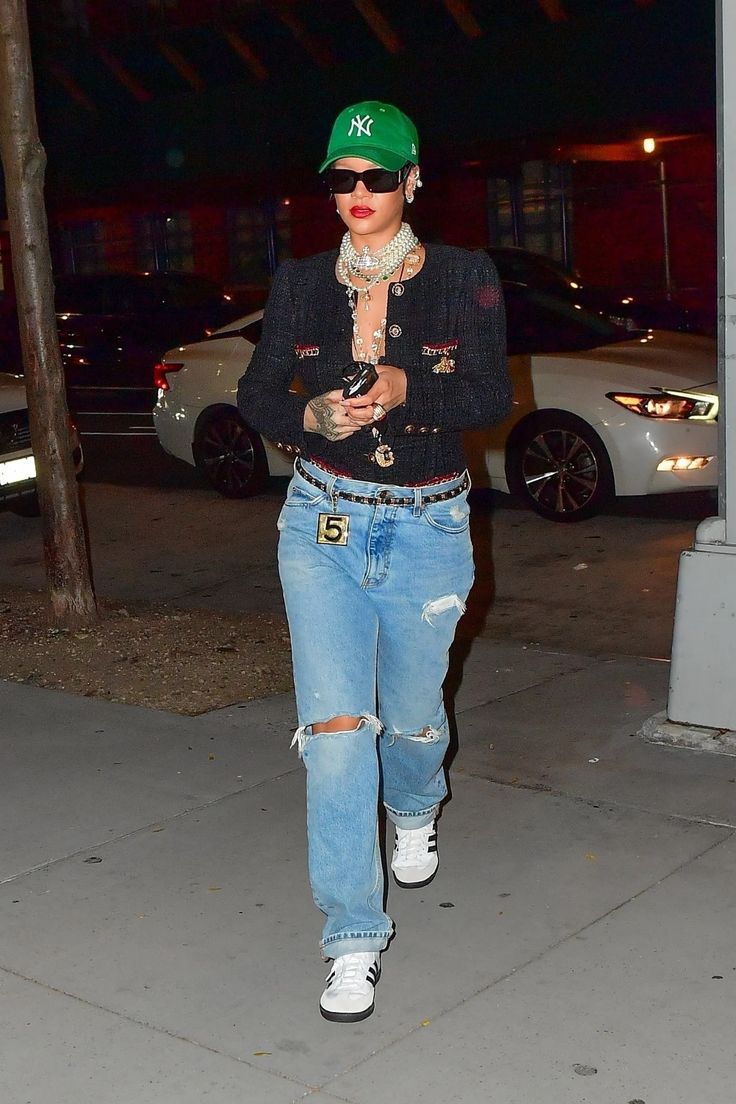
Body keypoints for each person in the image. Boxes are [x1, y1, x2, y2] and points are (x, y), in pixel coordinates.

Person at [238, 100, 511, 1023]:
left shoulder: (466, 276)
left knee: (412, 717)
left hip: (428, 527)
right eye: (342, 179)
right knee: (337, 739)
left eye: (378, 177)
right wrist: (309, 416)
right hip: (320, 526)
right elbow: (255, 389)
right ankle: (352, 937)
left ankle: (420, 798)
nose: (358, 194)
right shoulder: (302, 283)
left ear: (413, 179)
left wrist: (406, 387)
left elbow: (485, 393)